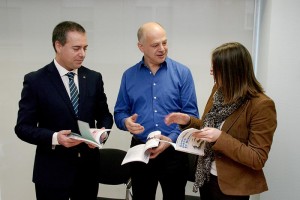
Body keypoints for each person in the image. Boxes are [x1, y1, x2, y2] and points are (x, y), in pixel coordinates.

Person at [164, 42, 277, 200]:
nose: (211, 72)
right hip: (206, 176)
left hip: (232, 187)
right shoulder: (218, 91)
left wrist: (220, 138)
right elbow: (207, 128)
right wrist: (188, 121)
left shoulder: (261, 105)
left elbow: (257, 158)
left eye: (215, 67)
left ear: (232, 71)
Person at [15, 21, 113, 200]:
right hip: (52, 172)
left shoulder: (93, 78)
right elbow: (22, 127)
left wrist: (102, 134)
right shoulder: (36, 80)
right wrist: (55, 138)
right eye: (76, 48)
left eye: (85, 48)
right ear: (58, 46)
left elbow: (105, 115)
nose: (82, 54)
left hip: (87, 171)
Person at [114, 22, 199, 200]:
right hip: (141, 151)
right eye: (155, 45)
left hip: (174, 151)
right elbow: (120, 112)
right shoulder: (129, 75)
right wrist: (126, 123)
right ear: (141, 47)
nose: (162, 49)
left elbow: (192, 116)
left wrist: (171, 139)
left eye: (165, 43)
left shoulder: (182, 73)